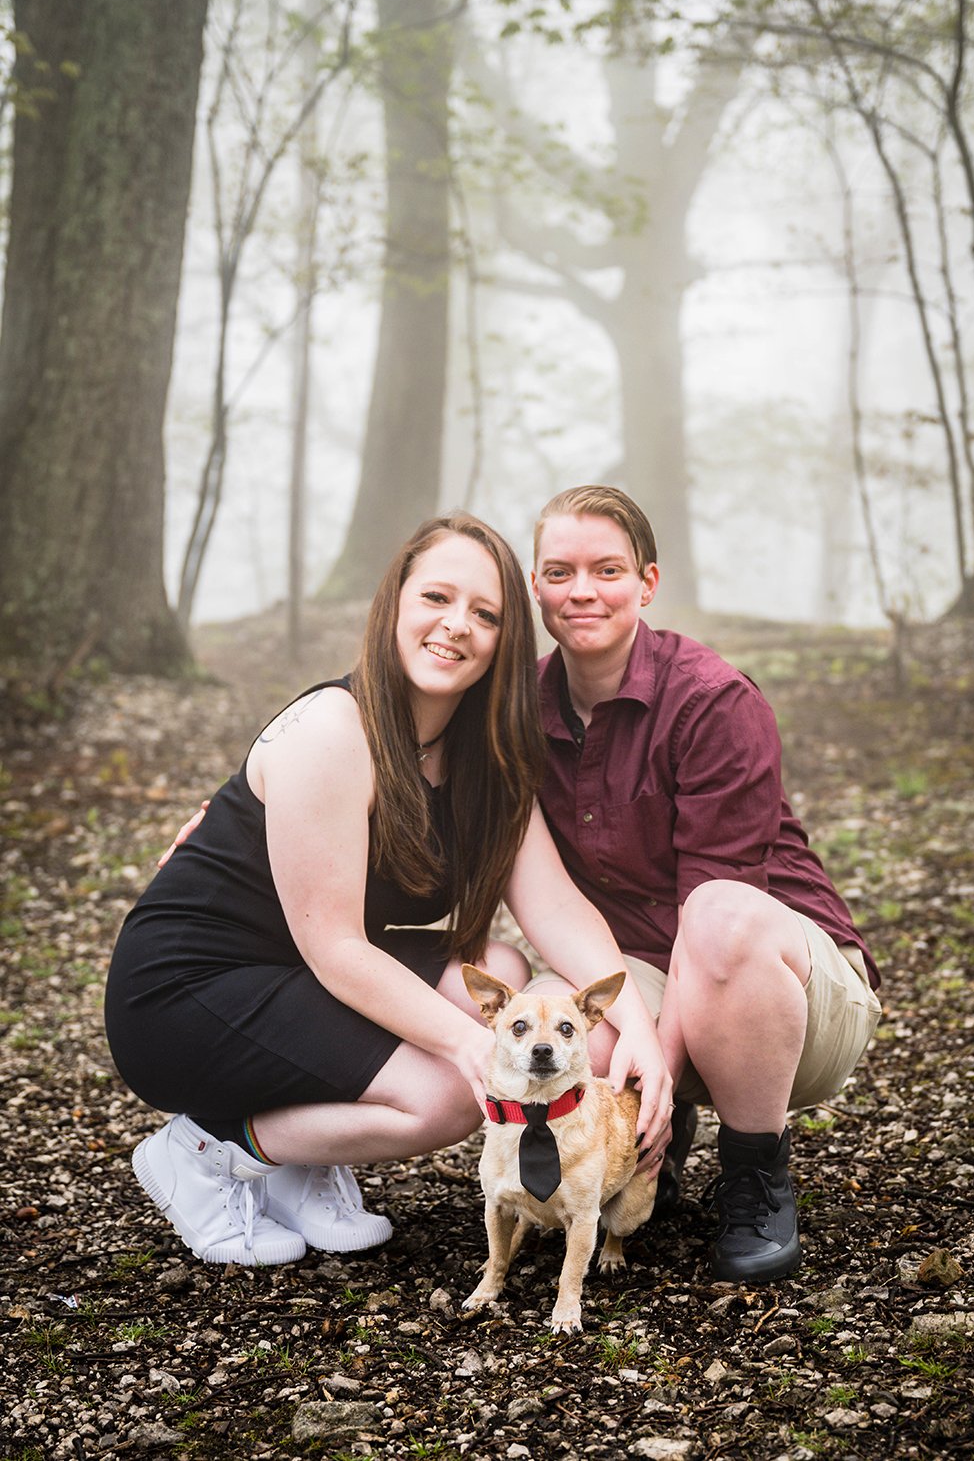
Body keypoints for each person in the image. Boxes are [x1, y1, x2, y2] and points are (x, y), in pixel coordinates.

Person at [105, 512, 673, 1267]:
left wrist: (638, 1027)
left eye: (485, 614)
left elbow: (555, 906)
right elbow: (336, 948)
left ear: (506, 641)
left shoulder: (487, 754)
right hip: (186, 992)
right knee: (443, 1092)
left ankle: (297, 1171)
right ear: (395, 603)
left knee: (496, 971)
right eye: (436, 597)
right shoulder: (331, 730)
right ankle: (207, 1150)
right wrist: (473, 1047)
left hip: (291, 976)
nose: (455, 626)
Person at [522, 485, 883, 1282]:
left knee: (719, 916)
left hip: (783, 987)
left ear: (647, 582)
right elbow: (409, 742)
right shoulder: (518, 711)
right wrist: (249, 802)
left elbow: (709, 923)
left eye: (606, 569)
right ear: (537, 586)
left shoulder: (713, 699)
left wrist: (660, 1061)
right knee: (559, 1017)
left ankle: (756, 1174)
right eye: (559, 571)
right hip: (648, 977)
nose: (582, 590)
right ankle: (645, 1150)